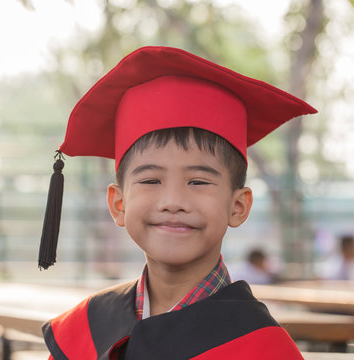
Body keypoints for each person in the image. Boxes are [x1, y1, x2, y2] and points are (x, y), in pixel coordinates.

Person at [38, 46, 317, 360]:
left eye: (198, 182)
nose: (173, 202)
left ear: (238, 206)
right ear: (118, 204)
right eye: (151, 180)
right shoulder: (84, 330)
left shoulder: (263, 349)